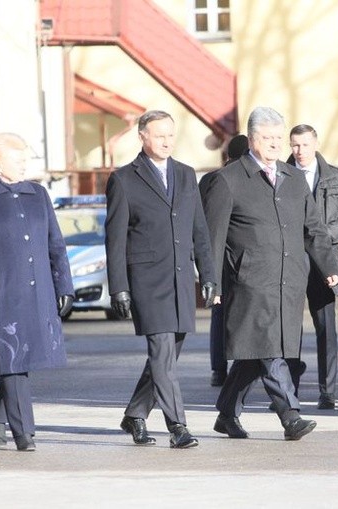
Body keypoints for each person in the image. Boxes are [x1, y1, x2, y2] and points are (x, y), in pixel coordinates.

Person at [202, 106, 338, 441]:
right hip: (249, 282)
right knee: (269, 350)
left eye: (280, 137)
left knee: (254, 354)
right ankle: (290, 415)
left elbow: (314, 229)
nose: (276, 144)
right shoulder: (229, 180)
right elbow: (213, 237)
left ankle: (226, 413)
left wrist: (328, 264)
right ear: (251, 139)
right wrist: (211, 281)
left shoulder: (293, 180)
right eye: (268, 137)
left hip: (289, 281)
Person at [0, 132, 75, 451]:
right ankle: (24, 432)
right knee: (12, 358)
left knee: (20, 361)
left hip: (38, 292)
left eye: (25, 158)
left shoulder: (39, 194)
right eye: (17, 159)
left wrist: (65, 285)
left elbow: (55, 244)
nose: (24, 164)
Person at [105, 110, 216, 449]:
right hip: (147, 283)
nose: (167, 141)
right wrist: (119, 287)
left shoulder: (185, 174)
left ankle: (136, 413)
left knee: (166, 357)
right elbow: (115, 239)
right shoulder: (124, 178)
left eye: (171, 134)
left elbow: (199, 229)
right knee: (162, 351)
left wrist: (208, 274)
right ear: (143, 137)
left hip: (181, 280)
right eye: (159, 135)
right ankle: (178, 426)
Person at [285, 124, 338, 409]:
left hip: (326, 260)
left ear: (315, 144)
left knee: (325, 328)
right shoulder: (279, 174)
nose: (300, 151)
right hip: (290, 260)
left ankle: (327, 391)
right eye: (294, 145)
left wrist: (325, 236)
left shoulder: (336, 178)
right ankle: (287, 391)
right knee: (288, 329)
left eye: (305, 144)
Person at [200, 134, 249, 387]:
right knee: (246, 314)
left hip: (215, 256)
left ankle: (218, 370)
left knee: (218, 315)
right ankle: (246, 364)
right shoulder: (246, 179)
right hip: (241, 256)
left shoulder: (208, 179)